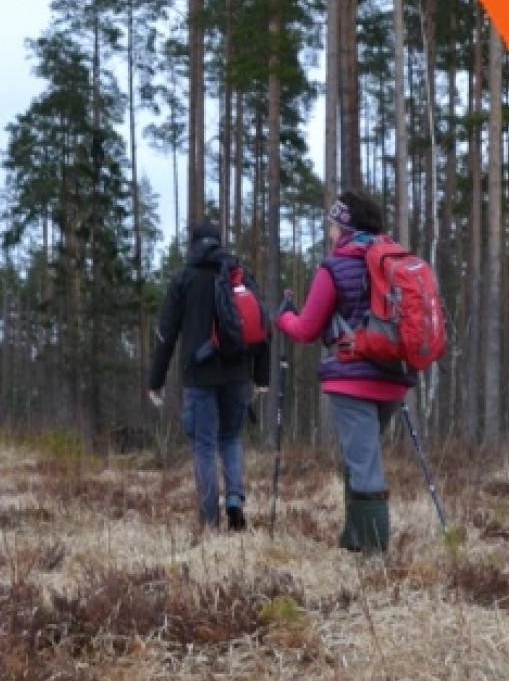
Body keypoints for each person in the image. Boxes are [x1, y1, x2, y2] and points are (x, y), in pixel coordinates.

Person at [276, 189, 417, 556]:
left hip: (353, 377)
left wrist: (284, 316)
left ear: (344, 226)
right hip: (392, 376)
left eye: (333, 225)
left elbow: (307, 330)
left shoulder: (335, 267)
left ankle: (374, 557)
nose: (330, 233)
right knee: (361, 456)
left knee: (365, 464)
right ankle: (354, 539)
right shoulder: (394, 261)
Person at [148, 220, 270, 538]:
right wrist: (261, 377)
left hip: (199, 376)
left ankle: (210, 521)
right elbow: (262, 327)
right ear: (218, 243)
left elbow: (166, 335)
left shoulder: (183, 280)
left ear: (193, 244)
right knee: (230, 438)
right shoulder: (238, 275)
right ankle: (234, 500)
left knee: (203, 445)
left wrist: (155, 381)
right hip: (237, 374)